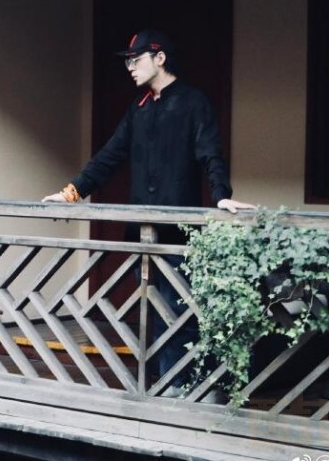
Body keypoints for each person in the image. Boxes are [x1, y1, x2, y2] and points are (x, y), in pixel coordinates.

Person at [42, 29, 254, 399]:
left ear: (160, 58)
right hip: (142, 230)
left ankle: (188, 385)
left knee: (181, 306)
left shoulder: (193, 103)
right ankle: (169, 382)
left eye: (136, 59)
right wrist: (71, 193)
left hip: (178, 230)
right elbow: (109, 157)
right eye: (127, 61)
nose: (130, 67)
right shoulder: (138, 109)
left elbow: (210, 154)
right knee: (153, 307)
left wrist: (221, 197)